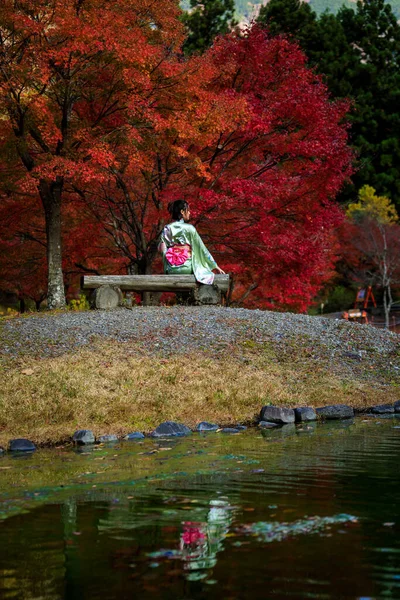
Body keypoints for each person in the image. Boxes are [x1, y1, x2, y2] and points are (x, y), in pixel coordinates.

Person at [159, 200, 225, 285]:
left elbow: (162, 248)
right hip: (187, 268)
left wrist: (167, 261)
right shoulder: (190, 228)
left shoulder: (167, 228)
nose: (190, 213)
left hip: (171, 268)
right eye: (188, 210)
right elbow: (201, 248)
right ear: (182, 212)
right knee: (202, 269)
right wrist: (215, 266)